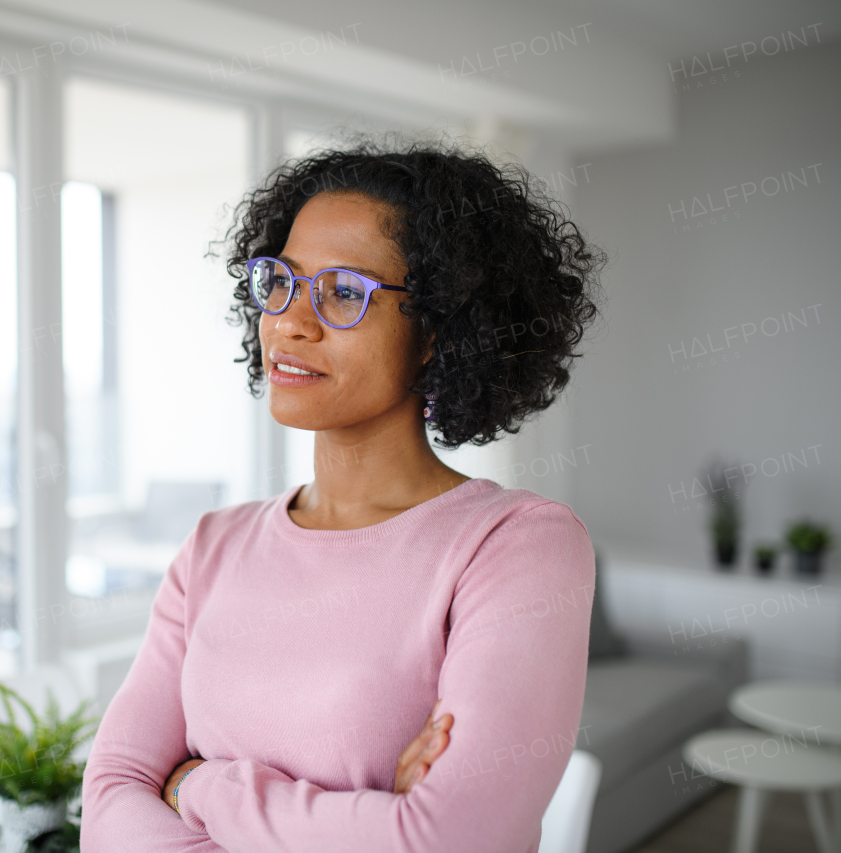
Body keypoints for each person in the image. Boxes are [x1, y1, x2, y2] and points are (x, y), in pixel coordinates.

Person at [80, 140, 604, 852]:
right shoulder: (213, 546)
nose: (291, 321)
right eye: (281, 282)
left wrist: (196, 786)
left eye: (343, 292)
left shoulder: (516, 544)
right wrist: (369, 815)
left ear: (437, 332)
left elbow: (449, 841)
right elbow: (109, 804)